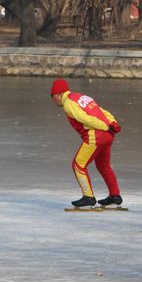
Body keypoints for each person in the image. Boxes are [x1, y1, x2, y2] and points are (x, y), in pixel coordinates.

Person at [50, 79, 123, 207]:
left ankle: (88, 197)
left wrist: (103, 126)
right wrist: (112, 122)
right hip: (108, 135)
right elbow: (101, 111)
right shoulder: (80, 97)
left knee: (78, 165)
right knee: (103, 165)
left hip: (96, 135)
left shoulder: (68, 103)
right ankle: (115, 195)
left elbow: (84, 118)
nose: (54, 101)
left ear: (57, 94)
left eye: (52, 97)